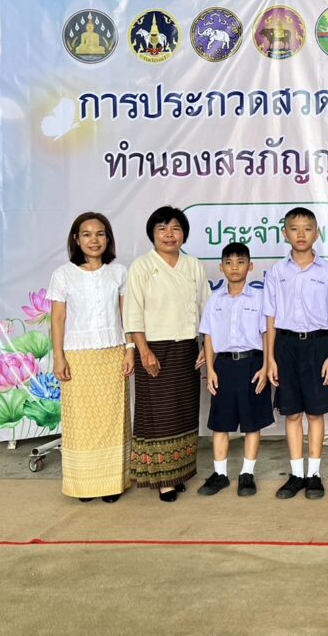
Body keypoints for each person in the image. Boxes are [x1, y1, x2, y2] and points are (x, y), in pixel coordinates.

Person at [123, 206, 209, 502]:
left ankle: (179, 472)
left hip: (187, 348)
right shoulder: (142, 266)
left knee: (184, 413)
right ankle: (163, 480)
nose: (169, 235)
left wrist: (206, 347)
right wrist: (143, 350)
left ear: (184, 233)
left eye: (175, 228)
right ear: (152, 234)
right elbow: (133, 312)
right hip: (155, 349)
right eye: (162, 229)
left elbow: (206, 309)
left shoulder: (194, 265)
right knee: (158, 416)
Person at [47, 212, 133, 503]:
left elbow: (126, 315)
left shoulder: (119, 272)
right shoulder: (63, 274)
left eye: (100, 234)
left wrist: (130, 349)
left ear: (108, 238)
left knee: (113, 421)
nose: (94, 240)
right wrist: (59, 357)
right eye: (86, 234)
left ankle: (112, 483)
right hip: (78, 356)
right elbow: (58, 318)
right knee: (81, 422)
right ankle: (84, 484)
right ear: (76, 239)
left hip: (113, 352)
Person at [263, 207, 328, 500]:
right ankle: (296, 474)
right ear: (285, 233)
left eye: (307, 228)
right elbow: (270, 318)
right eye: (294, 228)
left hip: (317, 346)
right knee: (292, 414)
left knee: (315, 413)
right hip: (285, 346)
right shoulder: (277, 272)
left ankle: (314, 475)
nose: (301, 234)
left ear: (317, 233)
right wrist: (270, 359)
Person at [196, 242, 270, 498]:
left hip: (253, 364)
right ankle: (220, 474)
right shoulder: (214, 301)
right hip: (224, 366)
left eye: (240, 262)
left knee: (252, 423)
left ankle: (247, 473)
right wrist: (211, 369)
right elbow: (208, 337)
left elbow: (267, 334)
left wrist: (266, 366)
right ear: (221, 268)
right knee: (221, 422)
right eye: (228, 263)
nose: (234, 267)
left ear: (250, 266)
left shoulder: (260, 298)